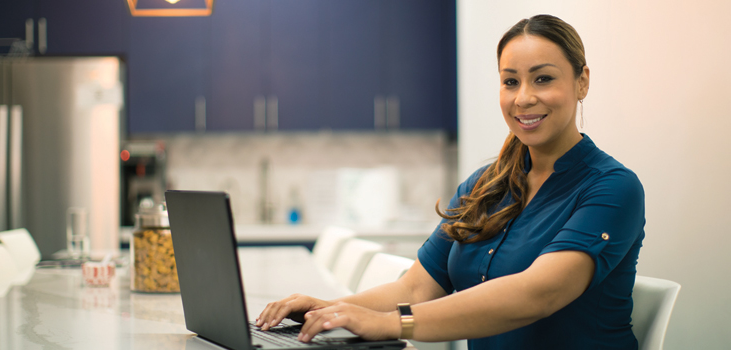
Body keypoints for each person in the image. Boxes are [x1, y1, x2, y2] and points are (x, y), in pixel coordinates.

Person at [256, 14, 645, 349]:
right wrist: (328, 309)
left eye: (543, 79)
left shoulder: (613, 188)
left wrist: (390, 324)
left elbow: (537, 293)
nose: (523, 98)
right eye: (510, 82)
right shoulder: (484, 185)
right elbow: (415, 289)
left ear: (582, 82)